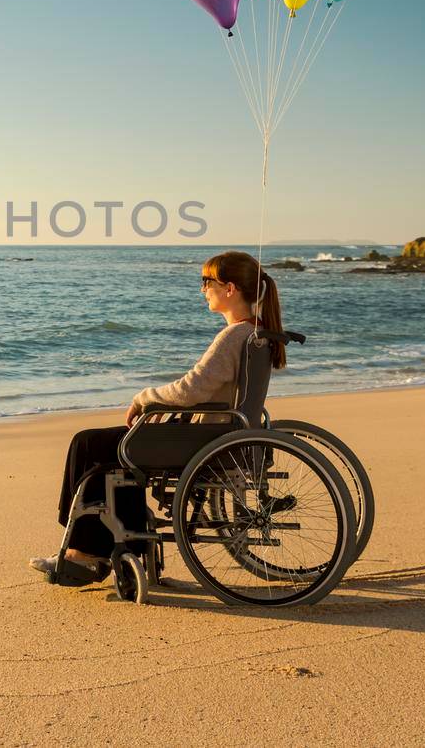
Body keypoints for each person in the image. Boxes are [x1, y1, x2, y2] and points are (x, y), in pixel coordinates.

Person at [29, 249, 287, 584]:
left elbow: (190, 391)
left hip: (203, 441)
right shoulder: (257, 332)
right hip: (223, 433)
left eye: (207, 282)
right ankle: (117, 544)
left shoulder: (233, 336)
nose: (202, 290)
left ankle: (84, 551)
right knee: (112, 451)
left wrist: (143, 399)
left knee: (90, 443)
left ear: (230, 289)